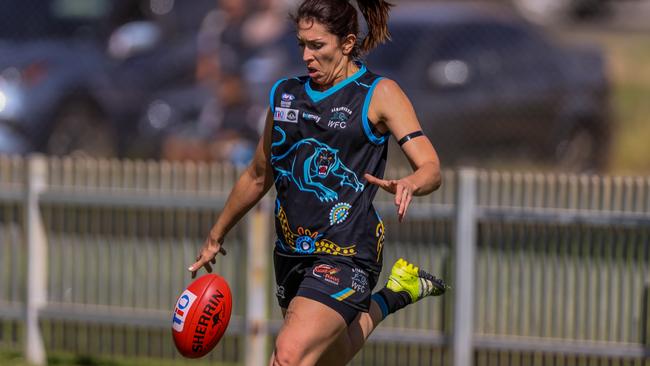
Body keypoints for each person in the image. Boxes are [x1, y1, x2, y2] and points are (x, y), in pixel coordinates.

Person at [188, 0, 448, 364]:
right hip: (291, 252)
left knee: (289, 355)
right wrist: (216, 235)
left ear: (346, 43)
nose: (307, 56)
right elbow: (259, 174)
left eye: (317, 45)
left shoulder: (379, 93)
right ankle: (393, 296)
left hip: (347, 252)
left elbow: (431, 168)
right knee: (323, 358)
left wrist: (411, 182)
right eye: (302, 45)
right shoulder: (285, 95)